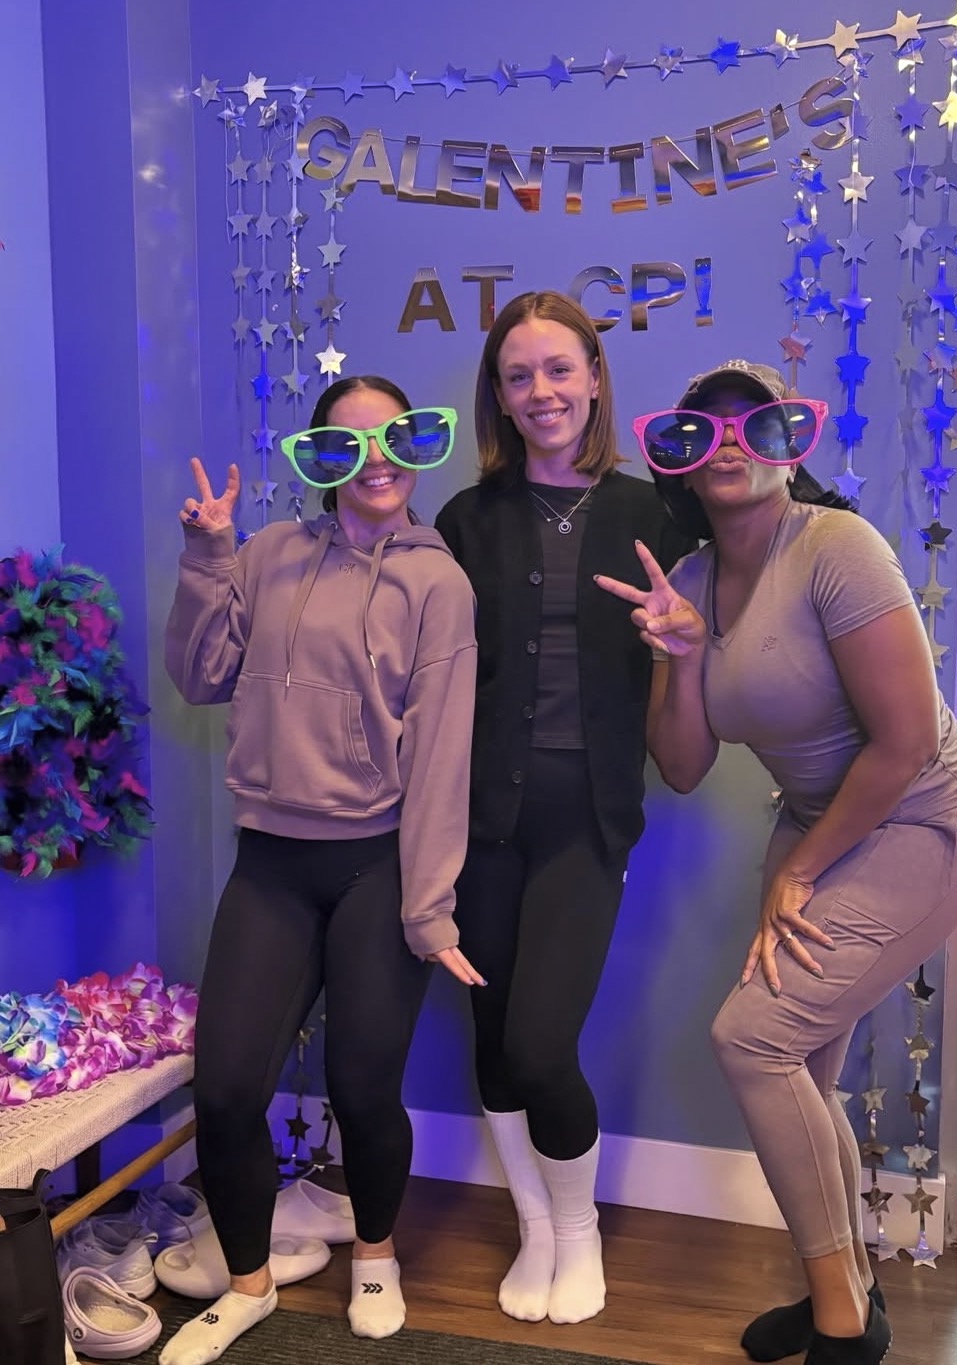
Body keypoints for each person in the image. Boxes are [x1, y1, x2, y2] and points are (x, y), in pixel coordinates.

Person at [596, 359, 957, 1365]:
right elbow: (683, 767)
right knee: (799, 1066)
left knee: (753, 1040)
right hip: (825, 819)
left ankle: (840, 1327)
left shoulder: (836, 547)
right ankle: (850, 1291)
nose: (732, 443)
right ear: (681, 458)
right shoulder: (692, 584)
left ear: (792, 447)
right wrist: (677, 659)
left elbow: (905, 743)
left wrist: (798, 868)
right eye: (707, 429)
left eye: (760, 425)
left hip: (928, 814)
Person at [162, 375, 481, 1365]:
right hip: (270, 861)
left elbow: (441, 757)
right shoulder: (267, 554)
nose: (375, 461)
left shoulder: (437, 584)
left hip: (375, 866)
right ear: (321, 460)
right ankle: (249, 1284)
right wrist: (209, 555)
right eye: (349, 444)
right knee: (225, 1091)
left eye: (396, 439)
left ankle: (375, 1255)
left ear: (417, 449)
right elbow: (200, 675)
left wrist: (429, 910)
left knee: (364, 1086)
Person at [434, 291, 697, 1326]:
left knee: (542, 1044)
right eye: (518, 375)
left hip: (586, 822)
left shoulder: (655, 514)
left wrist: (687, 638)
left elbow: (789, 523)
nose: (540, 390)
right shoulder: (466, 521)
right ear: (498, 397)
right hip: (478, 823)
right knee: (493, 1038)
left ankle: (577, 1230)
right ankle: (535, 1228)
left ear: (593, 377)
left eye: (557, 368)